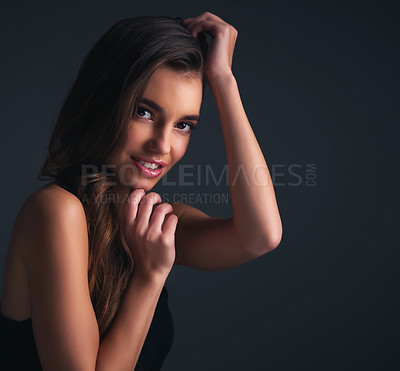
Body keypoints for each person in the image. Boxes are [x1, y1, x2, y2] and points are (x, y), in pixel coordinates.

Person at [0, 11, 282, 370]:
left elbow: (261, 236)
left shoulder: (151, 223)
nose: (163, 145)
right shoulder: (57, 210)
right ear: (104, 102)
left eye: (183, 125)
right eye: (145, 112)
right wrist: (149, 277)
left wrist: (223, 80)